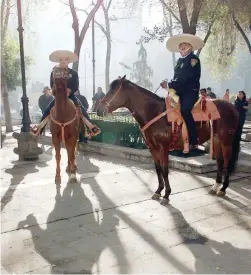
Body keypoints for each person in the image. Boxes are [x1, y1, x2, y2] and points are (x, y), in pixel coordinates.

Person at [31, 50, 100, 137]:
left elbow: (76, 85)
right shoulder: (54, 72)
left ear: (68, 61)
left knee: (82, 109)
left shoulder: (73, 73)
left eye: (65, 59)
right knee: (47, 110)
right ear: (59, 61)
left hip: (70, 96)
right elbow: (52, 85)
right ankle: (39, 128)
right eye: (61, 59)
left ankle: (91, 128)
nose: (63, 61)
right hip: (58, 96)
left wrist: (69, 90)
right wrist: (56, 91)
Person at [160, 33, 205, 155]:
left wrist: (170, 85)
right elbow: (177, 77)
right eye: (181, 46)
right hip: (178, 90)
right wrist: (168, 85)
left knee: (185, 110)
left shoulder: (193, 59)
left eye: (185, 45)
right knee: (165, 105)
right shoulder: (180, 61)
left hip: (190, 91)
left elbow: (186, 77)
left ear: (190, 47)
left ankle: (194, 141)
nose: (182, 48)